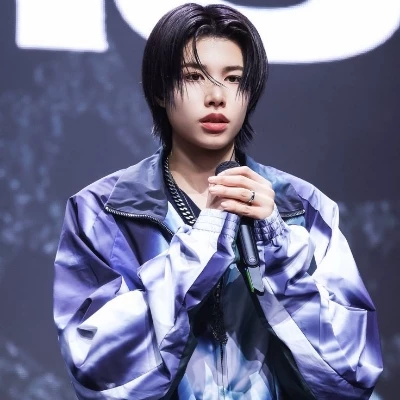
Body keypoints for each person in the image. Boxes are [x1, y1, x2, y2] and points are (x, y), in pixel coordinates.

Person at [53, 3, 383, 399]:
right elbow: (97, 372)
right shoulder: (101, 210)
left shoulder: (303, 207)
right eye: (194, 77)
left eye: (233, 78)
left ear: (250, 92)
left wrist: (279, 249)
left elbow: (352, 374)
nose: (216, 97)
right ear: (159, 90)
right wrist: (200, 246)